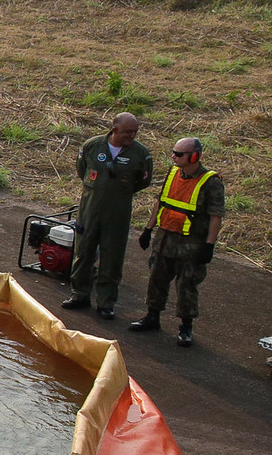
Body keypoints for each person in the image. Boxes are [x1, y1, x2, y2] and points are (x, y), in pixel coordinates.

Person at [130, 138, 224, 348]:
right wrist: (148, 229)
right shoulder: (172, 173)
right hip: (165, 238)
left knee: (187, 284)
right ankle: (152, 316)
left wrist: (209, 245)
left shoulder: (211, 182)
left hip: (191, 243)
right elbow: (160, 201)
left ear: (194, 156)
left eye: (178, 154)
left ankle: (185, 326)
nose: (173, 156)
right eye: (173, 152)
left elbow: (216, 216)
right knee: (156, 278)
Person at [63, 113, 153, 321]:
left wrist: (118, 191)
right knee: (83, 253)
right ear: (114, 130)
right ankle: (79, 294)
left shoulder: (140, 154)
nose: (132, 135)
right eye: (128, 132)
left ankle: (106, 302)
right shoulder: (92, 146)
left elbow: (143, 182)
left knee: (112, 258)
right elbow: (82, 170)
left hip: (118, 213)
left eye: (135, 132)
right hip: (89, 209)